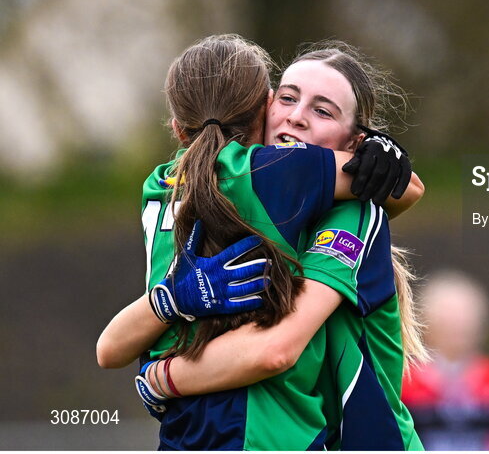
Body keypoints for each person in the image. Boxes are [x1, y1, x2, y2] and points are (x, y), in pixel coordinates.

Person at [96, 36, 426, 450]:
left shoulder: (165, 184)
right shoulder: (253, 190)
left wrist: (160, 378)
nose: (298, 117)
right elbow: (409, 188)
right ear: (264, 108)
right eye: (288, 99)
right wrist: (174, 302)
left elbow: (274, 350)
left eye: (322, 110)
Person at [402, 271, 489, 451]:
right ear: (426, 321)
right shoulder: (406, 378)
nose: (458, 326)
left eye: (465, 318)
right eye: (448, 318)